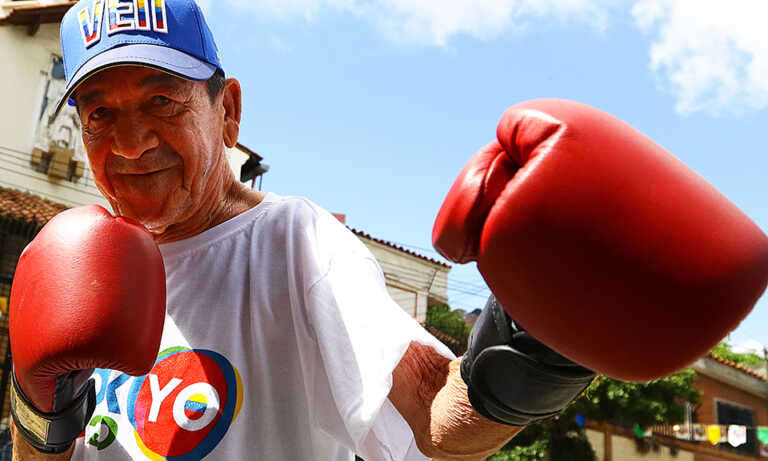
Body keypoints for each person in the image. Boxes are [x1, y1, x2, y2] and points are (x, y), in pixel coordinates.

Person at [9, 0, 597, 460]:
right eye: (99, 114)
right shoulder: (74, 263)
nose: (130, 144)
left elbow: (438, 423)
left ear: (228, 112)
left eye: (162, 101)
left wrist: (547, 321)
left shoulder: (296, 243)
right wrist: (38, 406)